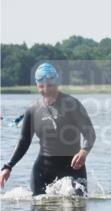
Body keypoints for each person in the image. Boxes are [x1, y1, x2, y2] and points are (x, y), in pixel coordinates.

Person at [0, 63, 95, 195]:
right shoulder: (33, 110)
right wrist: (8, 166)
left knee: (75, 208)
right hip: (43, 171)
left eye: (50, 85)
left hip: (73, 168)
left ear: (56, 83)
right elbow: (24, 141)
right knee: (39, 209)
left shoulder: (71, 104)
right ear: (37, 86)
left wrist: (84, 151)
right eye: (41, 86)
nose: (46, 90)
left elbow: (89, 132)